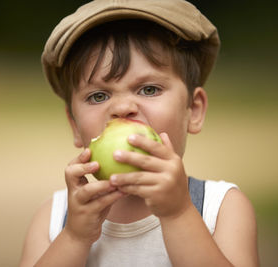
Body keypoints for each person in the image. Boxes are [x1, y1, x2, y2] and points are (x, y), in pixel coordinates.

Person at [20, 0, 259, 266]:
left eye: (149, 89)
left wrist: (178, 214)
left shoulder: (221, 208)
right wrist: (75, 237)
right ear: (75, 125)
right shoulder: (54, 218)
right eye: (98, 96)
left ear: (193, 109)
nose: (122, 108)